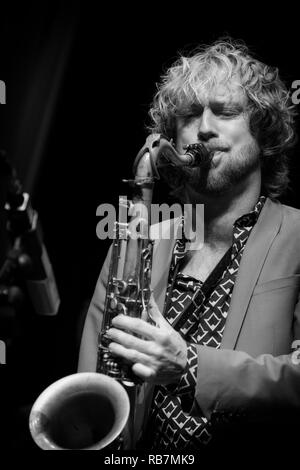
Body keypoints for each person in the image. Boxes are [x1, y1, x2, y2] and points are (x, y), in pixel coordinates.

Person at [78, 38, 300, 452]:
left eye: (227, 111)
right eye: (190, 115)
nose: (204, 128)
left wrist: (189, 367)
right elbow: (93, 372)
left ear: (264, 130)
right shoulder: (136, 242)